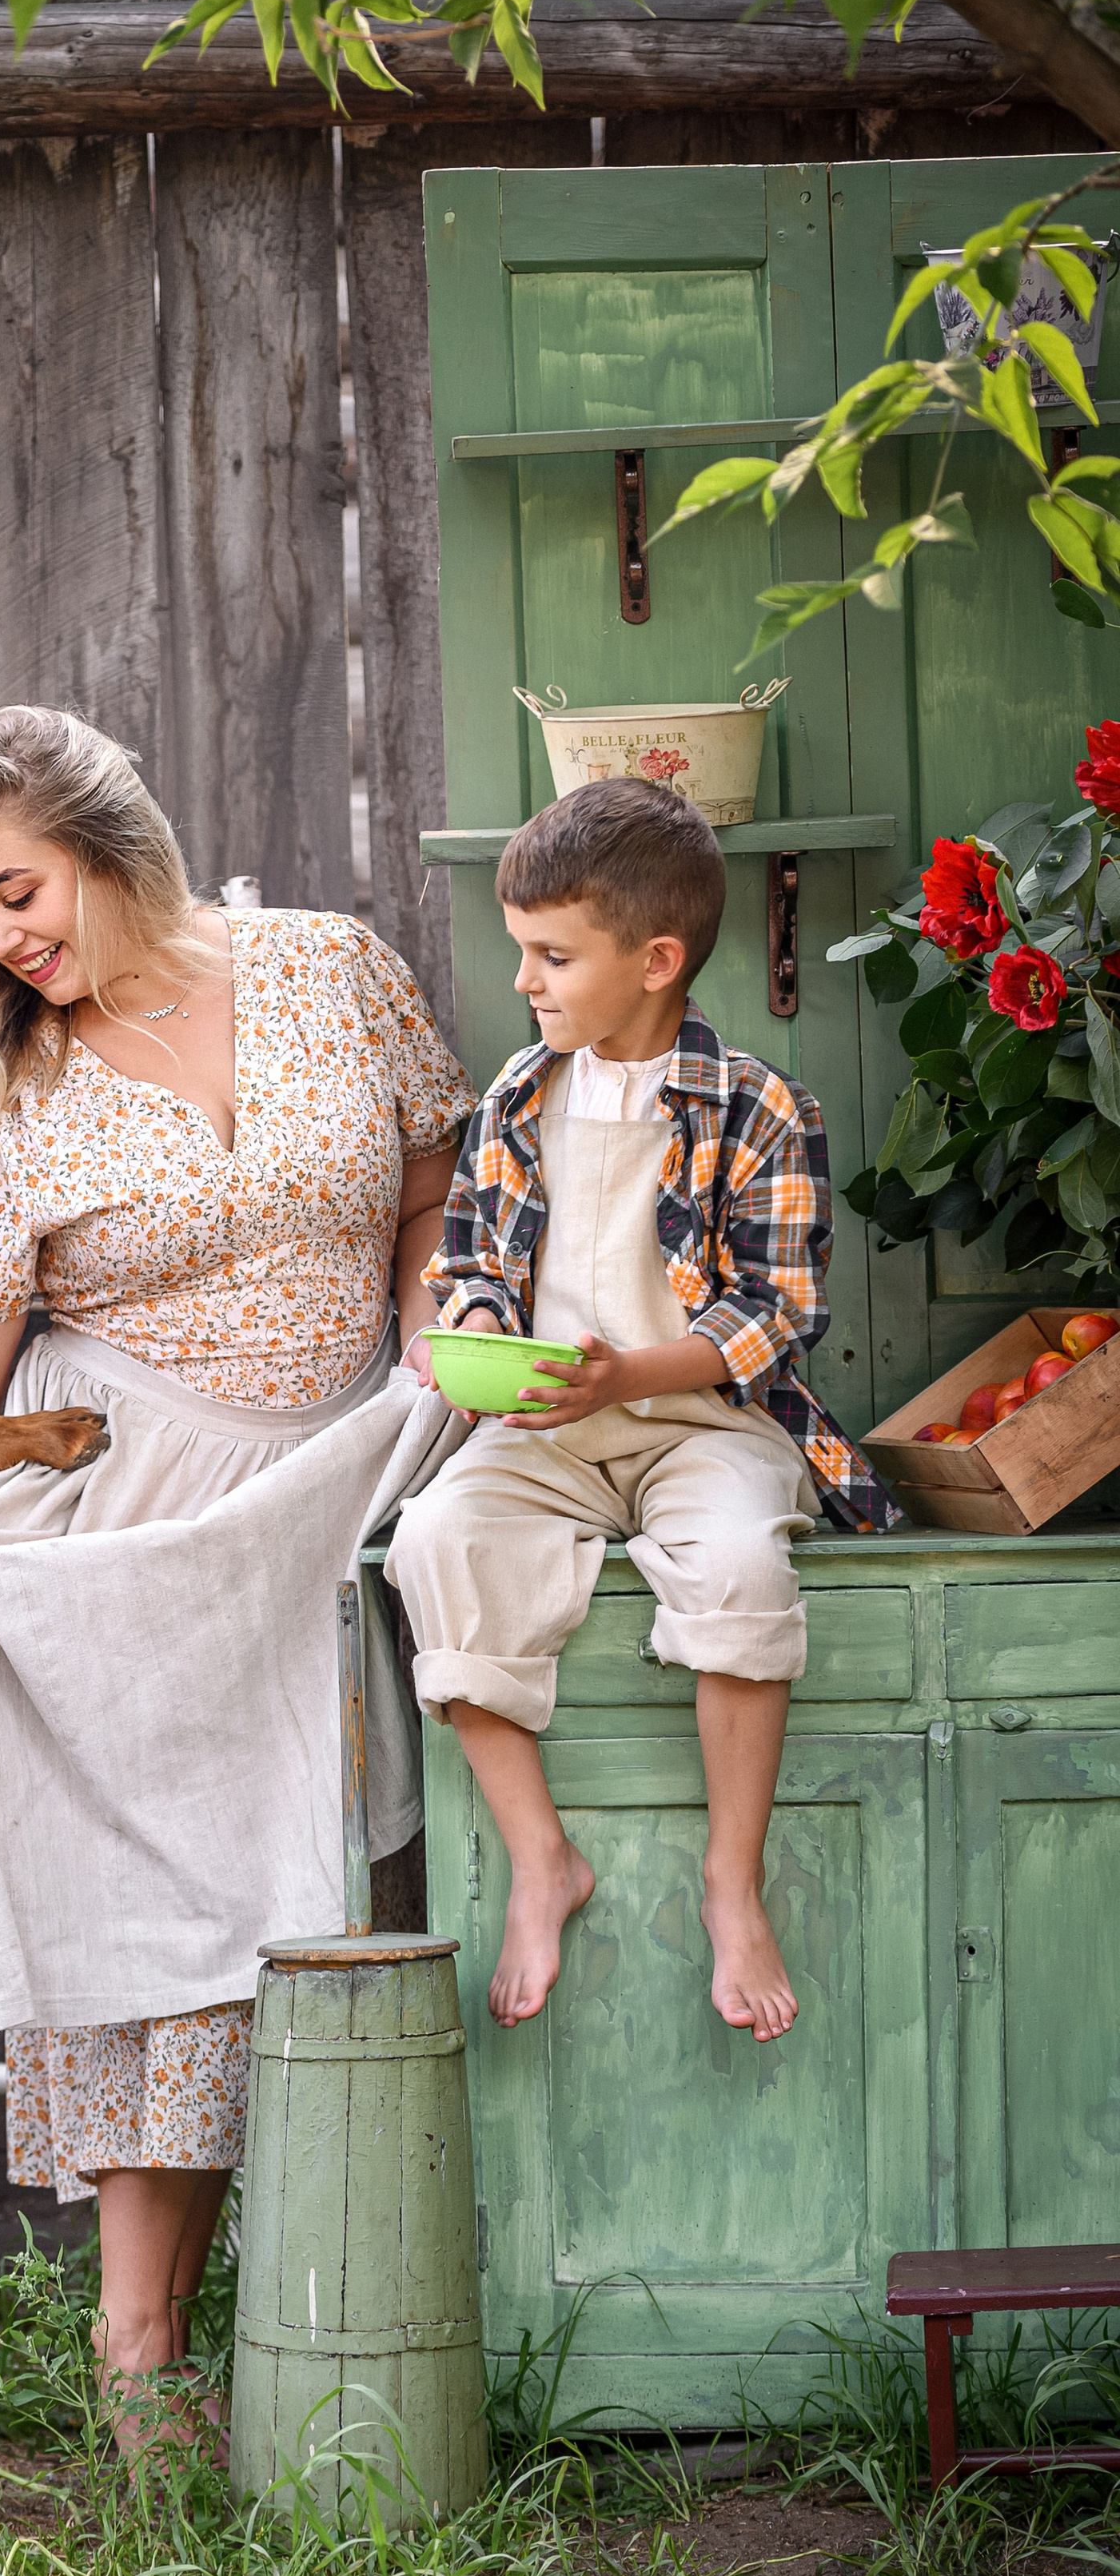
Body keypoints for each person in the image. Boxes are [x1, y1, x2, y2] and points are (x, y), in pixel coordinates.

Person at [0, 706, 475, 2458]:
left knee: (297, 1924)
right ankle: (141, 2361)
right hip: (126, 1507)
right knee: (164, 1947)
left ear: (112, 840)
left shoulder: (332, 969)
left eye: (15, 889)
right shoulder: (7, 1082)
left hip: (340, 1487)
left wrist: (427, 1345)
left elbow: (431, 1200)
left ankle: (331, 2330)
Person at [385, 780, 899, 2048]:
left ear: (656, 962)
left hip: (698, 1427)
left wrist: (630, 1375)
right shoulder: (516, 1098)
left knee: (736, 1570)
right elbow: (471, 1268)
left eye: (553, 956)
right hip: (545, 1432)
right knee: (435, 1545)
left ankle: (734, 1881)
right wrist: (477, 1339)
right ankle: (540, 1858)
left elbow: (774, 1313)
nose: (526, 982)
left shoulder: (761, 1108)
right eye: (523, 953)